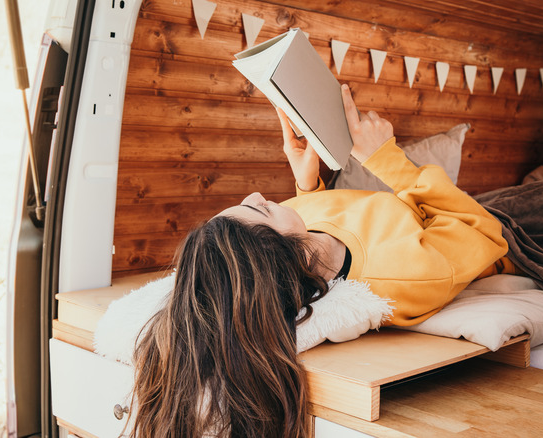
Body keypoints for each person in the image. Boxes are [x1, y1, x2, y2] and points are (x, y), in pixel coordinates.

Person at [127, 84, 521, 437]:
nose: (254, 195)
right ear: (288, 257)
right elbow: (486, 232)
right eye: (261, 211)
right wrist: (386, 158)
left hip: (417, 202)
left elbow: (314, 224)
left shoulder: (302, 241)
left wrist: (306, 183)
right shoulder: (408, 273)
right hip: (497, 219)